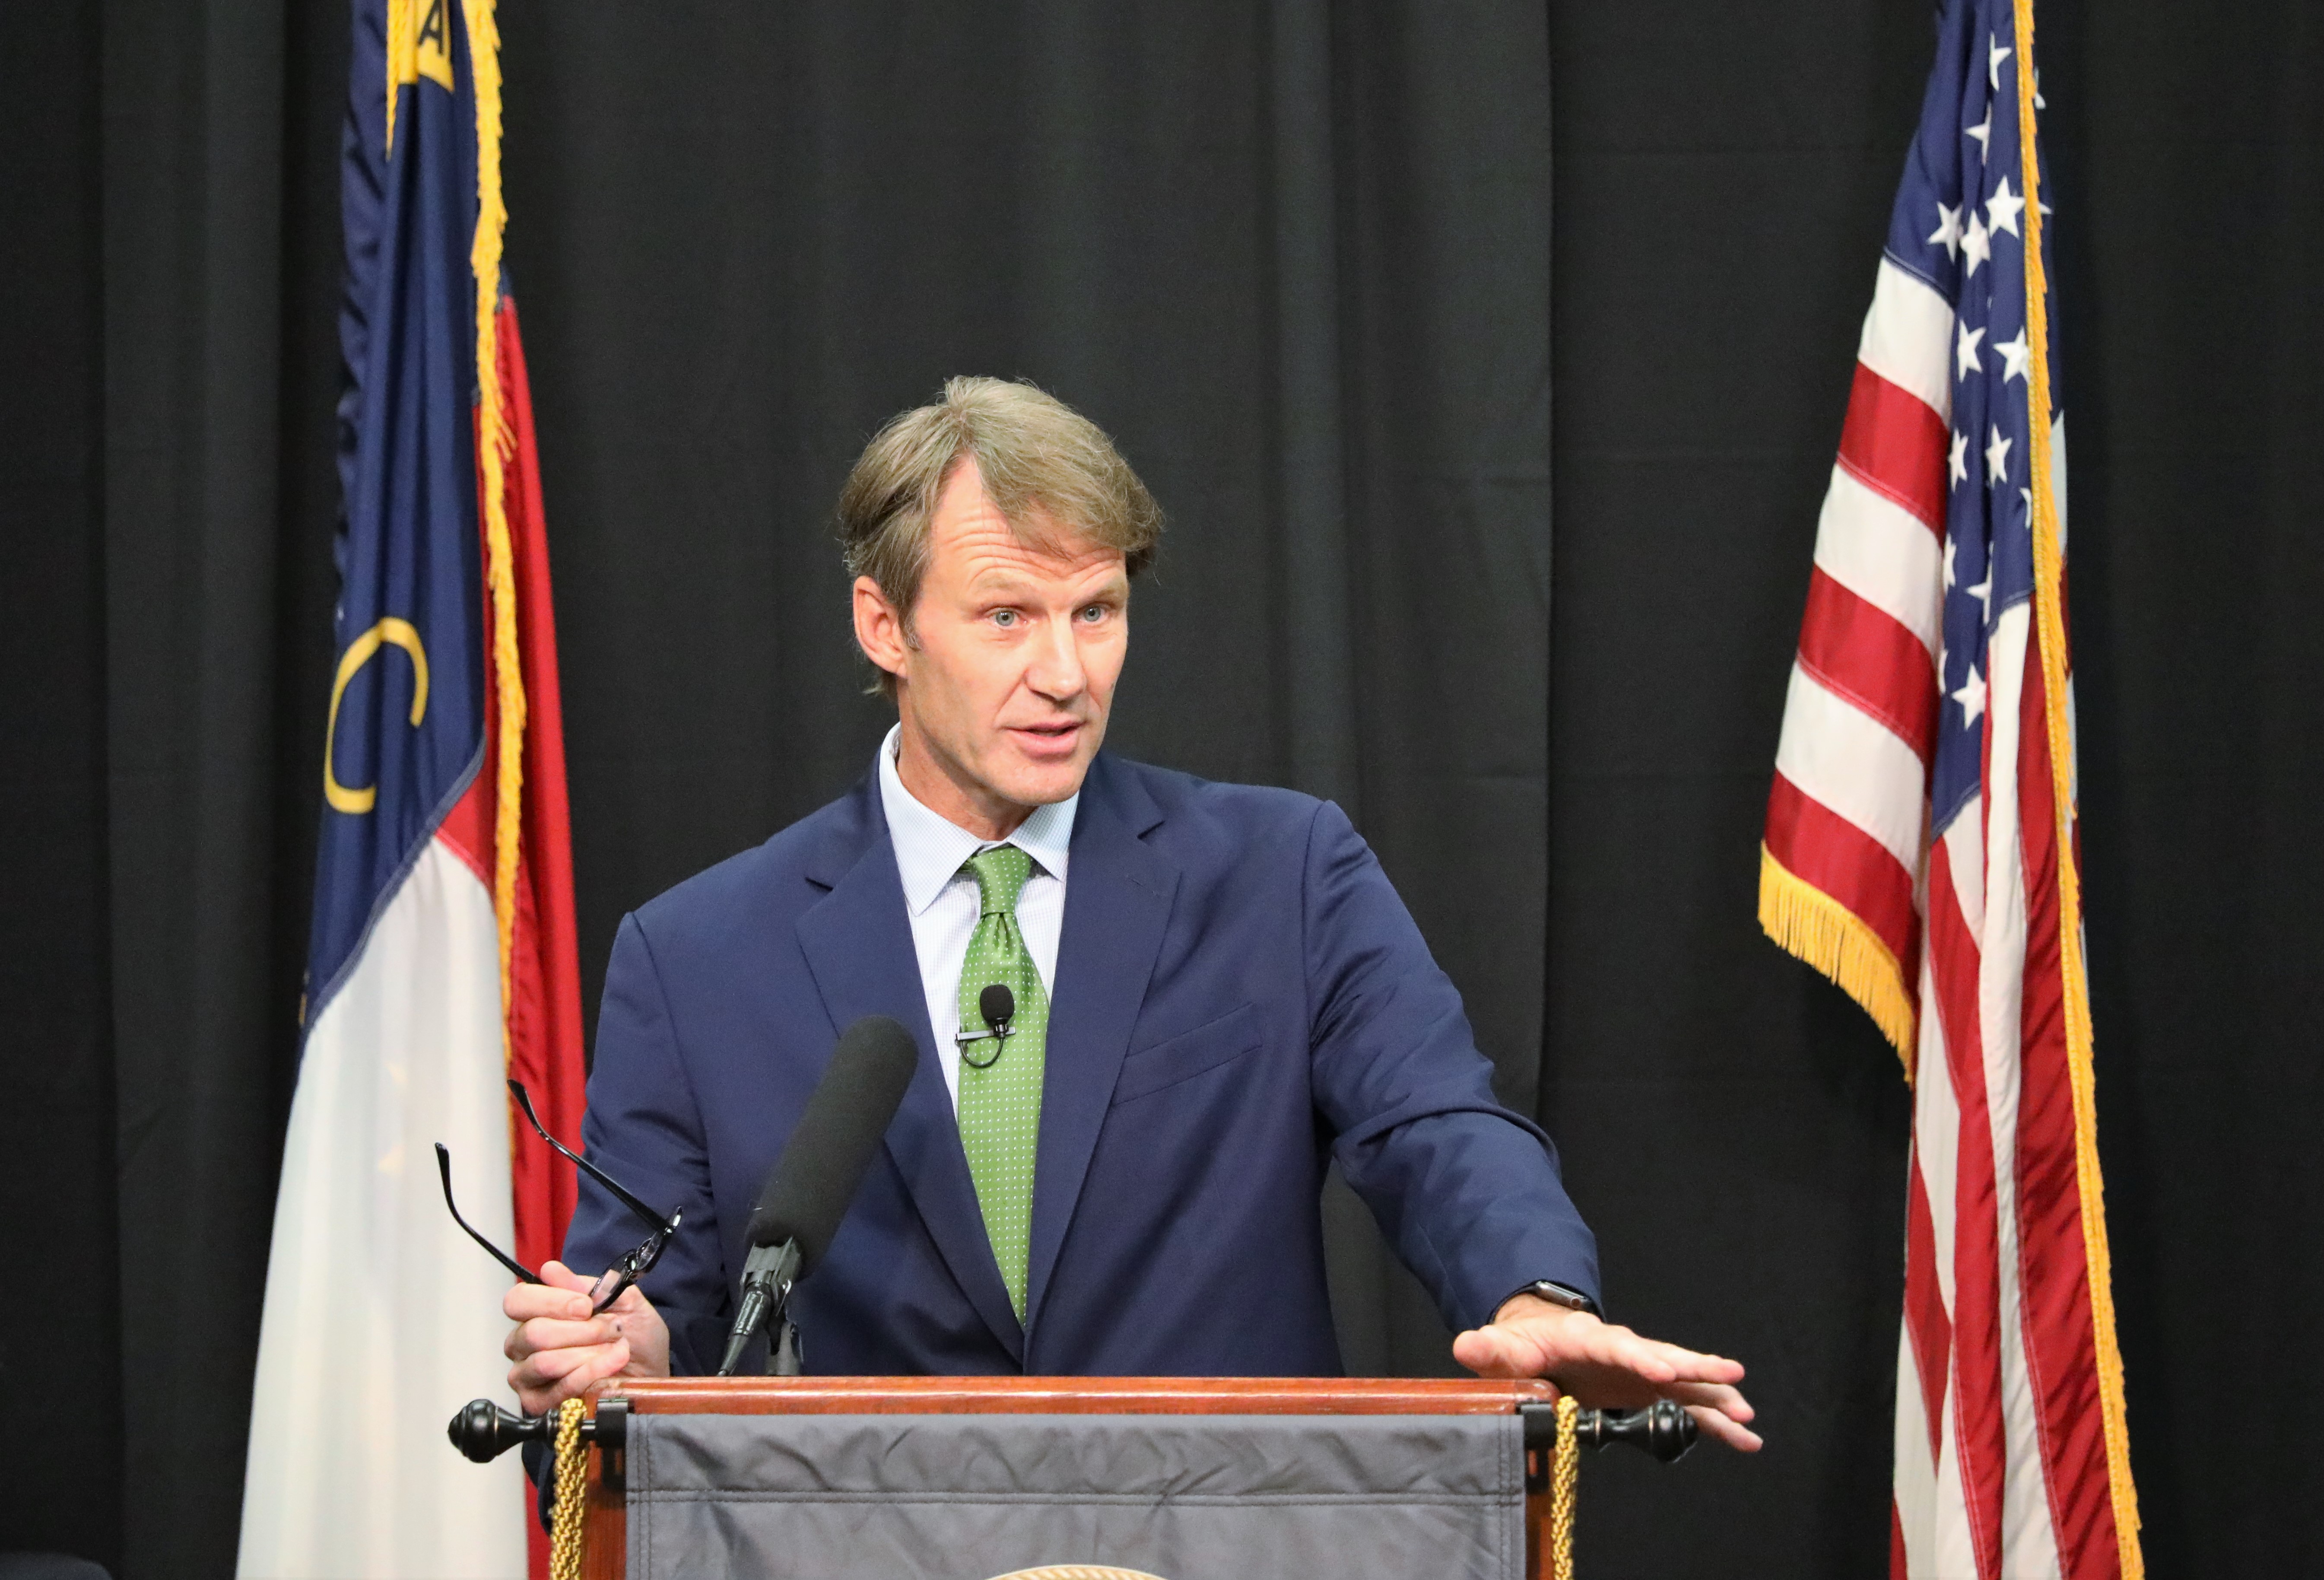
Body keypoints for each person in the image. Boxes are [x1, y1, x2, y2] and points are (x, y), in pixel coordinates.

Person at [502, 377, 1759, 1452]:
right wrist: (626, 1343)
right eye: (1008, 616)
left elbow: (1437, 1119)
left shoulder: (1283, 873)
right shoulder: (698, 954)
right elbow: (648, 1295)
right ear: (884, 625)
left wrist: (1534, 1291)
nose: (1066, 673)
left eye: (1095, 611)